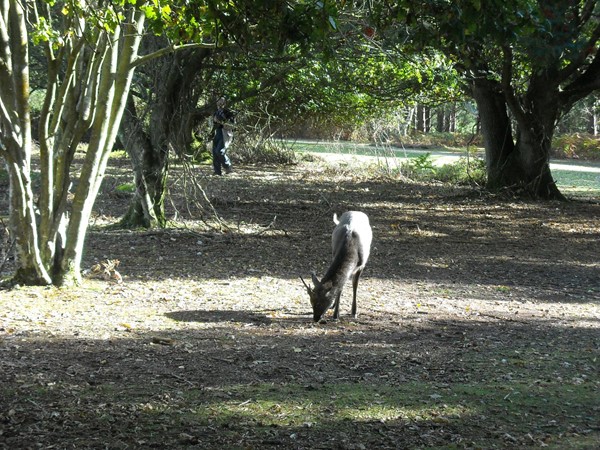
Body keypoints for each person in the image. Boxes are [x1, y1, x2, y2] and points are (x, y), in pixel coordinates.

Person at [211, 96, 234, 175]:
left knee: (220, 151)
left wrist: (221, 122)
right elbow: (213, 124)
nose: (220, 103)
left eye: (222, 101)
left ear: (225, 103)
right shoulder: (215, 112)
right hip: (216, 133)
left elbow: (231, 124)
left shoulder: (228, 113)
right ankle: (217, 171)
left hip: (225, 133)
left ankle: (228, 166)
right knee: (215, 152)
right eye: (219, 101)